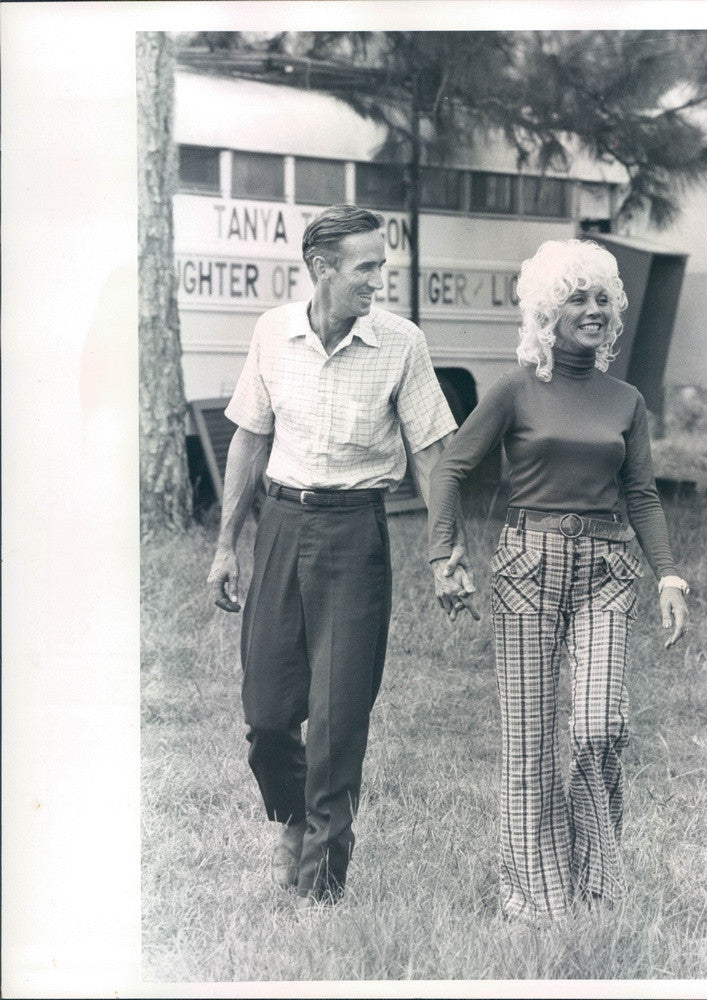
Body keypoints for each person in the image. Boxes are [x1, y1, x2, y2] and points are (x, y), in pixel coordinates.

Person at [207, 205, 478, 911]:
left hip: (357, 536)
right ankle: (293, 818)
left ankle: (322, 883)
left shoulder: (400, 344)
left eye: (380, 266)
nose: (377, 281)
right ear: (322, 269)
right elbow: (248, 439)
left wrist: (444, 550)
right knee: (267, 713)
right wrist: (226, 544)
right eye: (366, 267)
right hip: (282, 527)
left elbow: (431, 453)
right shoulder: (273, 334)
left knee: (336, 717)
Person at [428, 238, 689, 923]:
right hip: (527, 571)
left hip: (606, 569)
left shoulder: (627, 399)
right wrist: (442, 553)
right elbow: (451, 469)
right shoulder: (515, 387)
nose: (594, 309)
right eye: (578, 297)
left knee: (600, 727)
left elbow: (643, 495)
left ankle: (598, 885)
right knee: (528, 740)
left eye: (603, 297)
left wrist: (668, 578)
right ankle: (537, 897)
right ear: (548, 311)